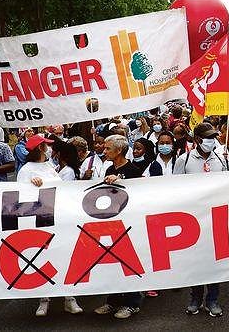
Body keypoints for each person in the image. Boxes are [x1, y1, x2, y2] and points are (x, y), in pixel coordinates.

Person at [15, 134, 84, 316]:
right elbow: (20, 196)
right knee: (41, 260)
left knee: (63, 257)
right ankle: (44, 300)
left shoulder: (49, 167)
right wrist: (31, 185)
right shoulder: (26, 170)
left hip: (57, 218)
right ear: (40, 148)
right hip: (39, 220)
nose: (50, 149)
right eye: (47, 146)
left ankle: (69, 298)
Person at [173, 122, 227, 316]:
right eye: (208, 137)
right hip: (192, 220)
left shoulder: (221, 159)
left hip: (215, 219)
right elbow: (175, 188)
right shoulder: (184, 159)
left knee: (214, 260)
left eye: (213, 137)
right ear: (197, 139)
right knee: (195, 260)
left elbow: (227, 187)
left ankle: (212, 299)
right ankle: (195, 298)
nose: (211, 141)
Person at [94, 134, 143, 319]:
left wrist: (121, 180)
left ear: (119, 150)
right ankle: (113, 301)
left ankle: (132, 303)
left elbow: (139, 195)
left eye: (108, 148)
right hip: (112, 224)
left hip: (129, 225)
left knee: (128, 263)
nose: (104, 151)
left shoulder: (134, 170)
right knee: (113, 264)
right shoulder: (108, 169)